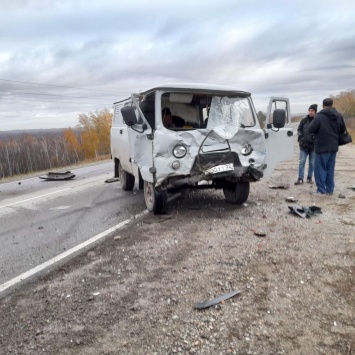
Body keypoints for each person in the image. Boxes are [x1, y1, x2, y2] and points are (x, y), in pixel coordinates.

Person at [308, 98, 346, 195]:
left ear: (323, 105)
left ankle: (321, 190)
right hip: (333, 147)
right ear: (332, 104)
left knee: (320, 168)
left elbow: (310, 129)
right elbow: (342, 129)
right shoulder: (338, 115)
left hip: (321, 146)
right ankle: (330, 190)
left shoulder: (320, 116)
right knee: (330, 169)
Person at [294, 104, 317, 185]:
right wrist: (300, 137)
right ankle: (300, 178)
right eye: (309, 110)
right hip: (303, 145)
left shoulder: (317, 120)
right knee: (302, 162)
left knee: (312, 163)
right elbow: (299, 129)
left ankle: (309, 178)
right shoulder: (304, 120)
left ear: (315, 112)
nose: (310, 112)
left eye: (312, 111)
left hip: (313, 147)